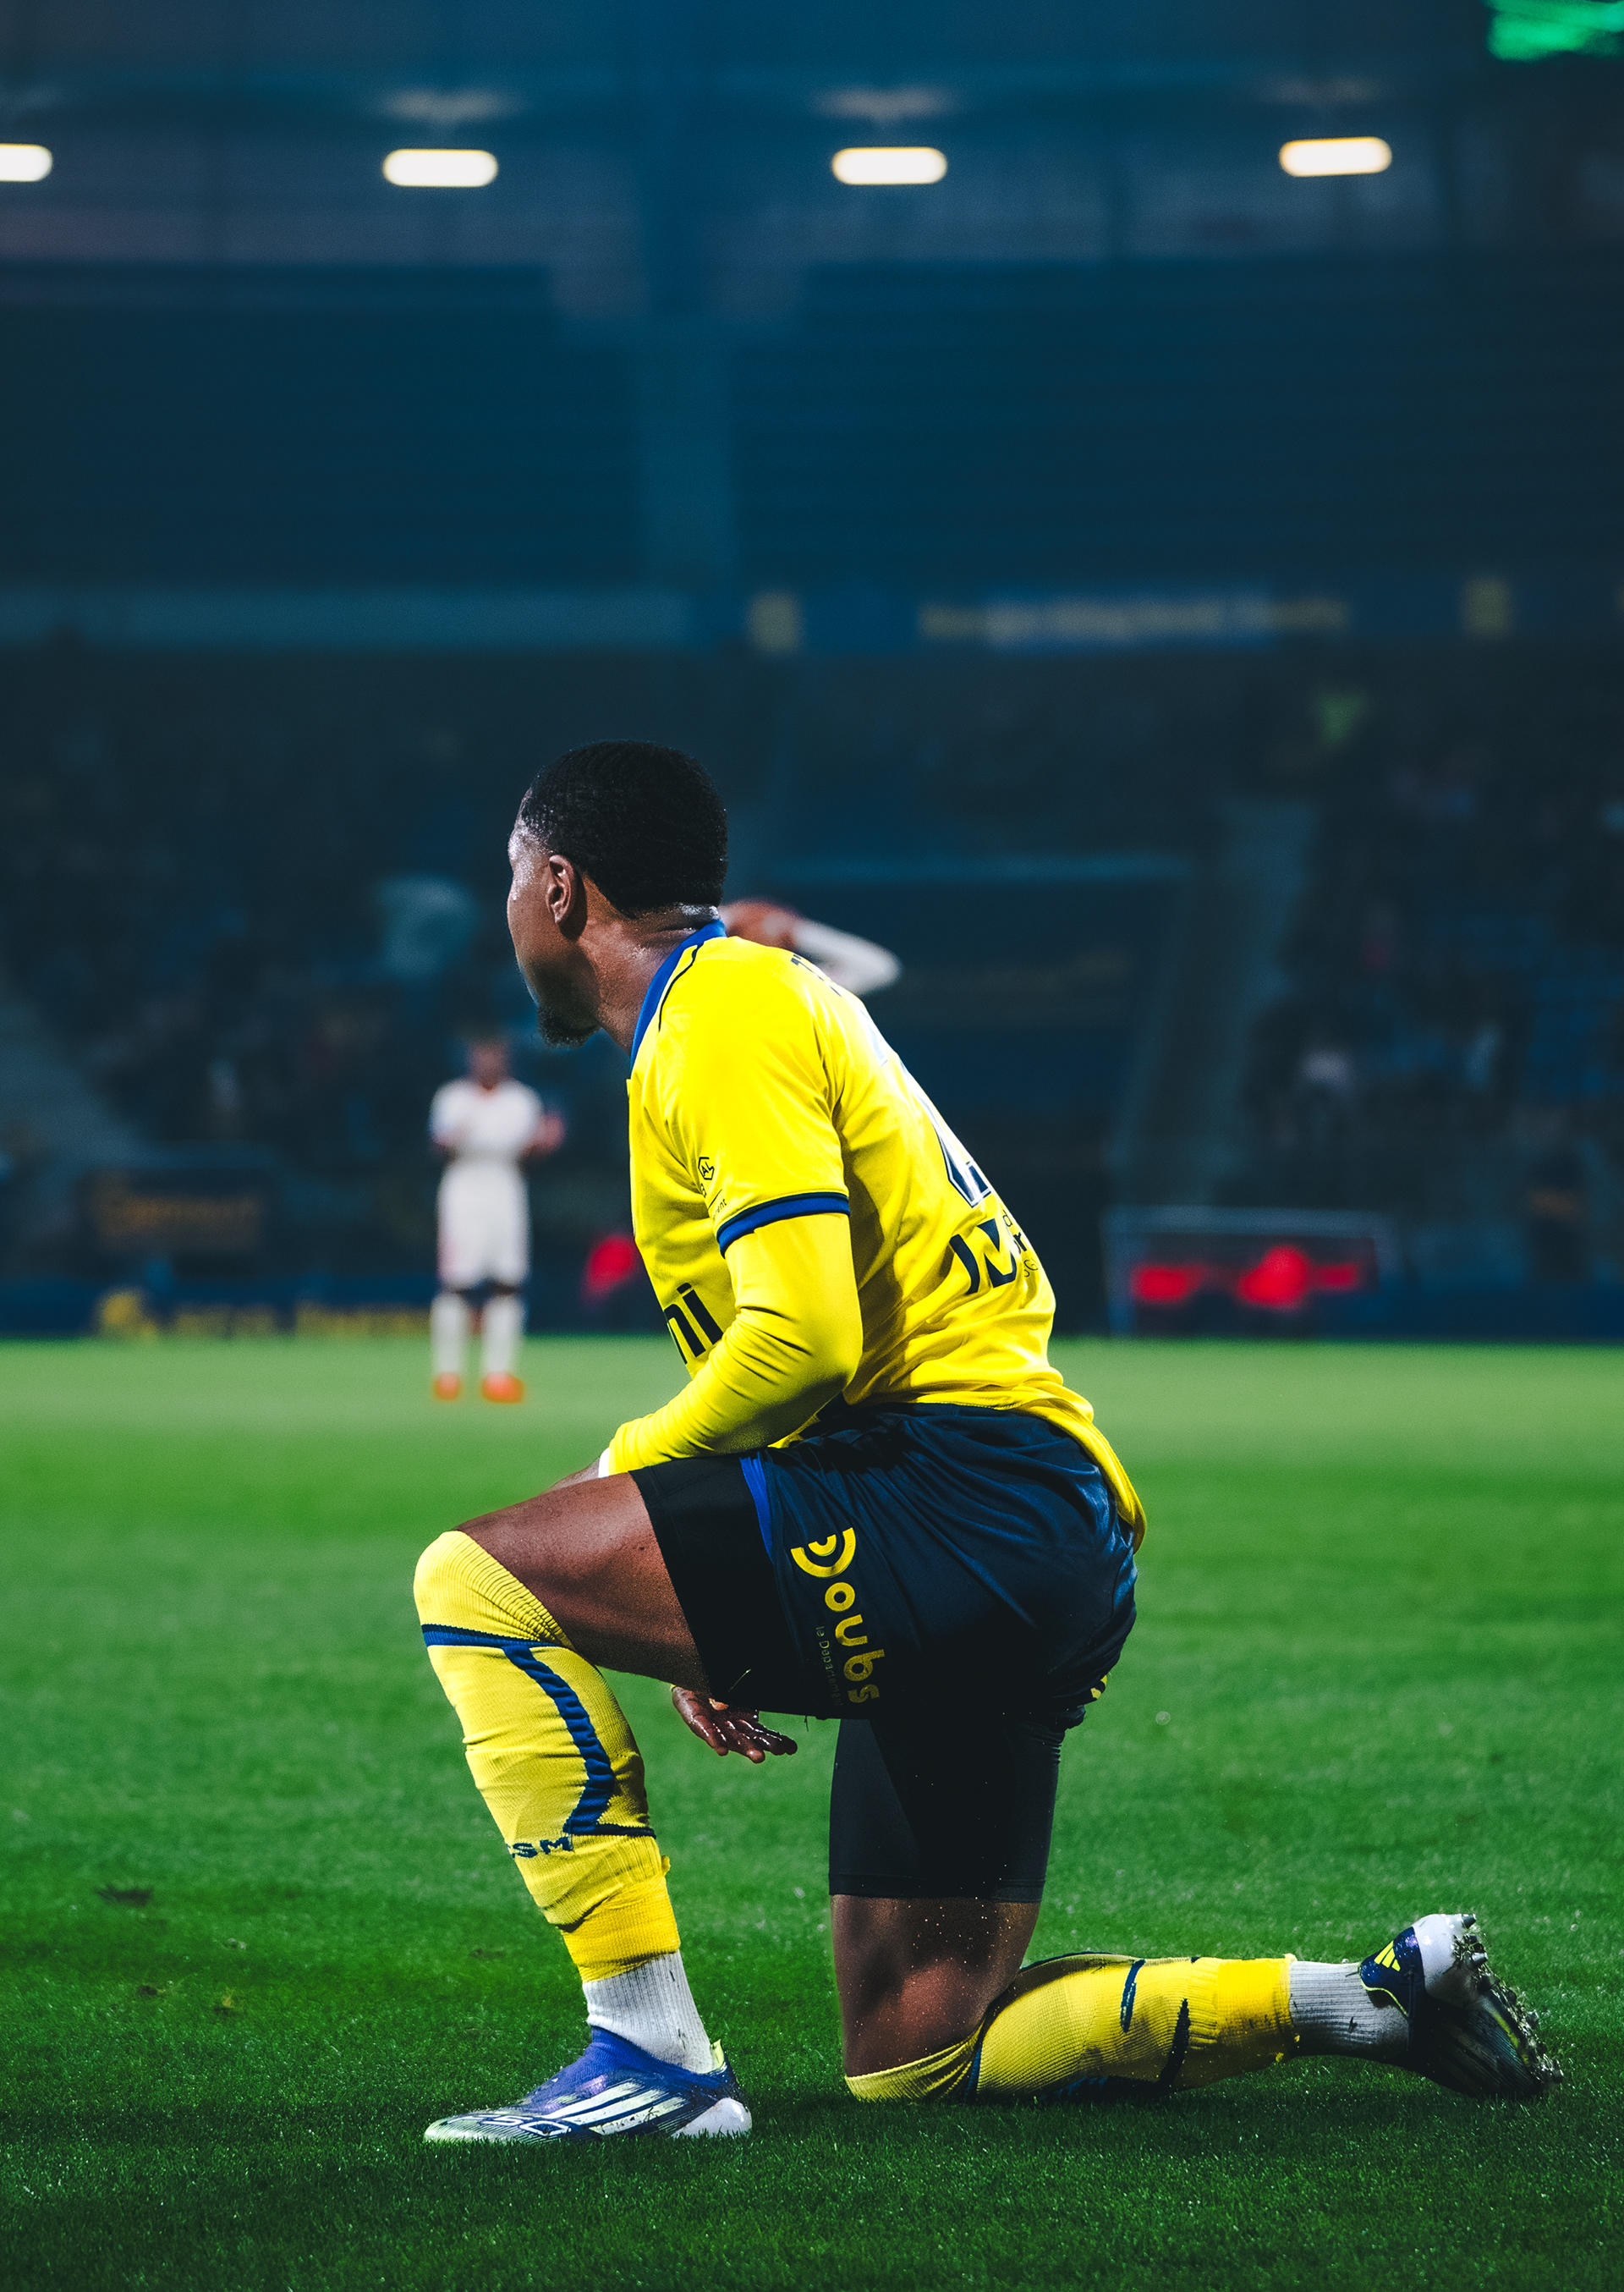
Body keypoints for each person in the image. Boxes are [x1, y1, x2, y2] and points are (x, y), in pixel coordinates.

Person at [413, 742, 1556, 2141]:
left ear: (557, 885)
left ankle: (649, 2053)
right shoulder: (754, 1004)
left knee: (477, 1579)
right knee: (920, 2048)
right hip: (1022, 1523)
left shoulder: (718, 1014)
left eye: (509, 879)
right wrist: (705, 1573)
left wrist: (625, 1473)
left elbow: (802, 1336)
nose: (507, 912)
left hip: (947, 1493)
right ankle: (1365, 1998)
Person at [427, 1036, 564, 1404]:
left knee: (508, 1282)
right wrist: (450, 1141)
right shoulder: (453, 1098)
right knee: (456, 1283)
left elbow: (530, 1151)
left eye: (496, 1056)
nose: (489, 1062)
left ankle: (498, 1375)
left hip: (506, 1189)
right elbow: (437, 1146)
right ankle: (448, 1375)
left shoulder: (521, 1100)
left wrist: (546, 1143)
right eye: (482, 1055)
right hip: (463, 1191)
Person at [721, 898, 901, 999]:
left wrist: (796, 932)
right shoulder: (716, 982)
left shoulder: (796, 985)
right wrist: (732, 919)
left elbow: (881, 968)